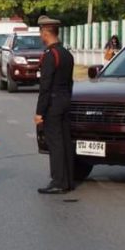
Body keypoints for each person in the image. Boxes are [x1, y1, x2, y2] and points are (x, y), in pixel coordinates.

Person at [34, 15, 75, 194]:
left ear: (45, 32)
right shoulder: (66, 54)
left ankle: (58, 181)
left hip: (53, 103)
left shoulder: (51, 55)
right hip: (65, 100)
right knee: (65, 141)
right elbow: (70, 82)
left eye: (41, 32)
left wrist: (39, 112)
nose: (41, 36)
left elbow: (45, 86)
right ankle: (68, 180)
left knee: (55, 143)